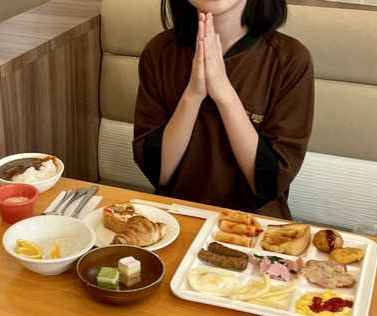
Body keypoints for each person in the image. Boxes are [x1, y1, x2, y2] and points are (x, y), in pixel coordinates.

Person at [133, 0, 314, 219]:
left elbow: (268, 184)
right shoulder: (159, 52)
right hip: (174, 220)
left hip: (254, 230)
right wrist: (193, 94)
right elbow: (158, 173)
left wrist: (224, 93)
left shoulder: (290, 60)